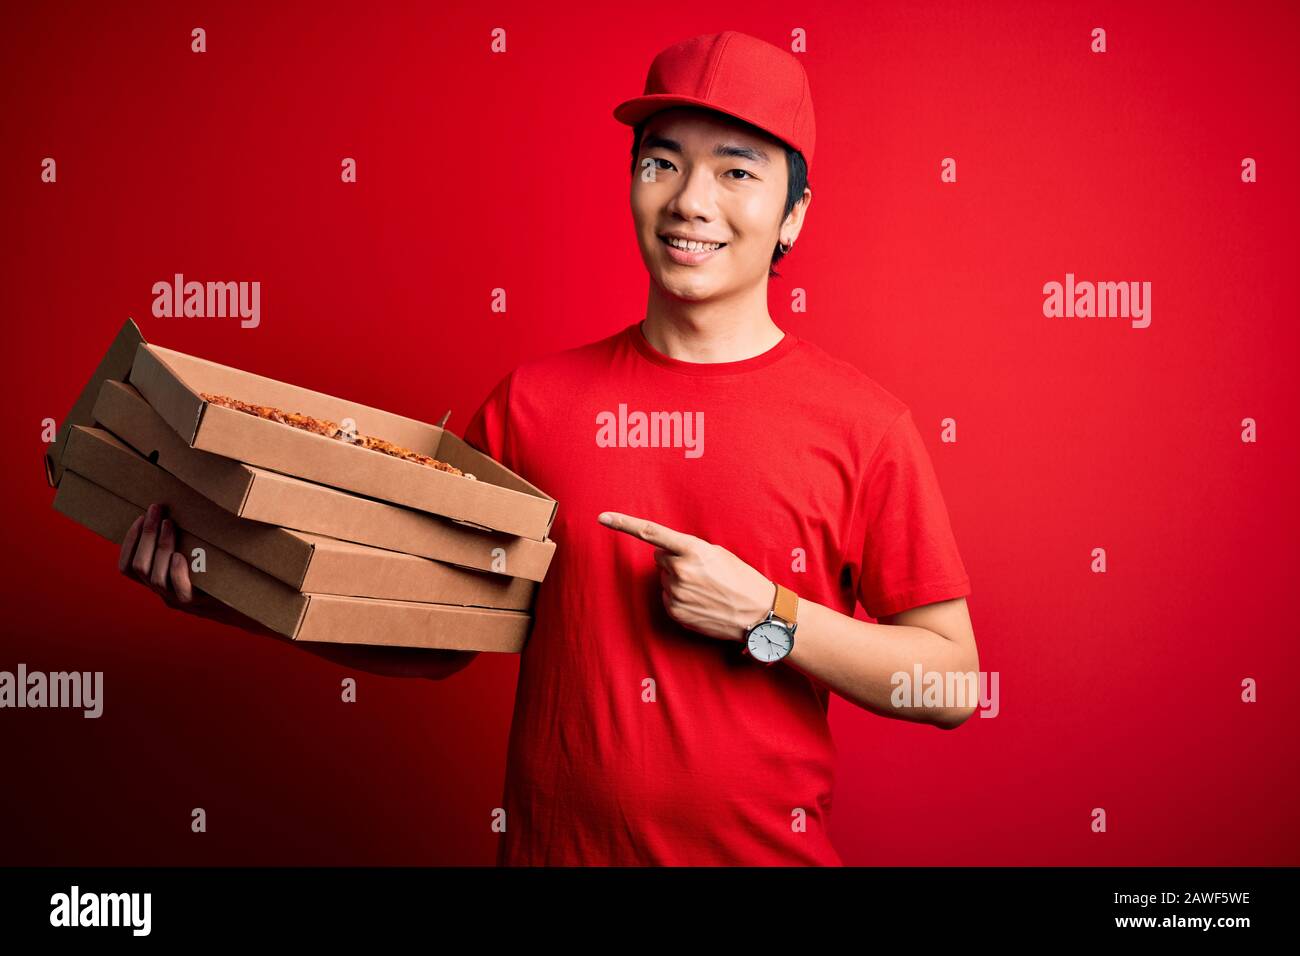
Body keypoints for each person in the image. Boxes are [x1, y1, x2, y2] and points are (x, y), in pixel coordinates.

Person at [121, 30, 978, 866]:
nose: (689, 200)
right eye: (662, 161)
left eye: (737, 171)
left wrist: (769, 617)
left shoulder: (865, 428)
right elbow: (433, 637)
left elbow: (951, 683)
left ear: (793, 215)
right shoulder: (531, 405)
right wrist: (227, 593)